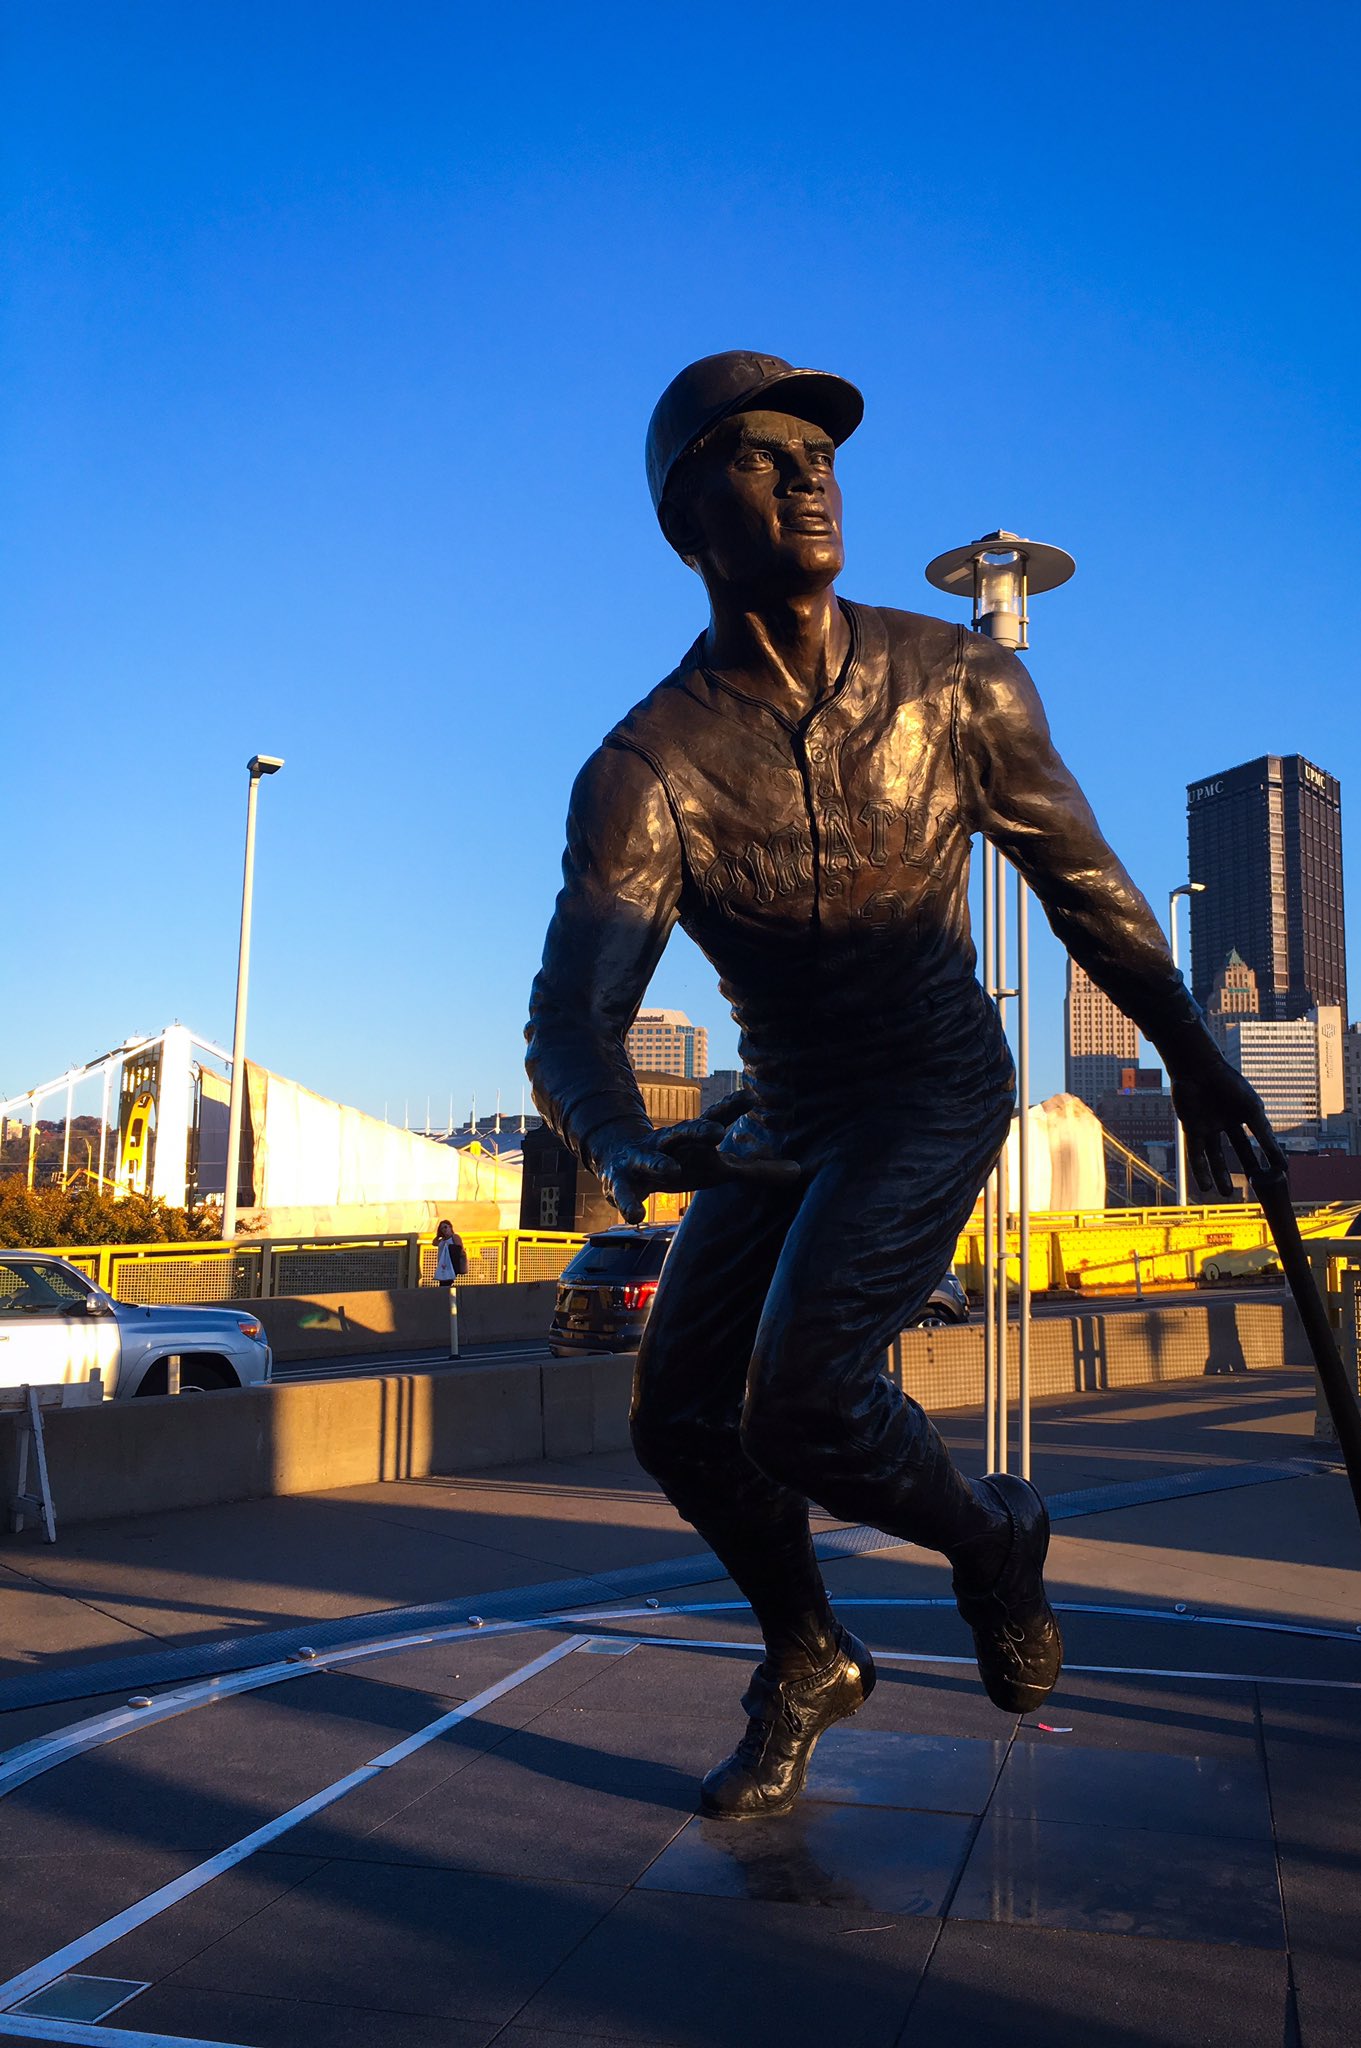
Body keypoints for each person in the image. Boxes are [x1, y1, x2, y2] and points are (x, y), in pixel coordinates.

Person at [526, 350, 1280, 1820]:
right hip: (785, 1112)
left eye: (822, 451)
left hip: (933, 1083)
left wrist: (1191, 1053)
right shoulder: (646, 767)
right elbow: (573, 1010)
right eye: (763, 454)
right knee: (678, 1413)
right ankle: (809, 1652)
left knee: (801, 1400)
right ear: (688, 519)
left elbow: (1085, 886)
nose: (811, 473)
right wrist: (623, 1144)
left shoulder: (958, 684)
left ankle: (995, 1539)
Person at [432, 1219, 467, 1287]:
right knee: (443, 1282)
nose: (444, 1229)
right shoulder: (442, 1240)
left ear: (450, 1227)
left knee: (446, 1282)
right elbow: (434, 1243)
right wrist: (438, 1235)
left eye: (445, 1227)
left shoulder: (454, 1237)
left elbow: (459, 1248)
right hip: (443, 1264)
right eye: (442, 1228)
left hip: (450, 1264)